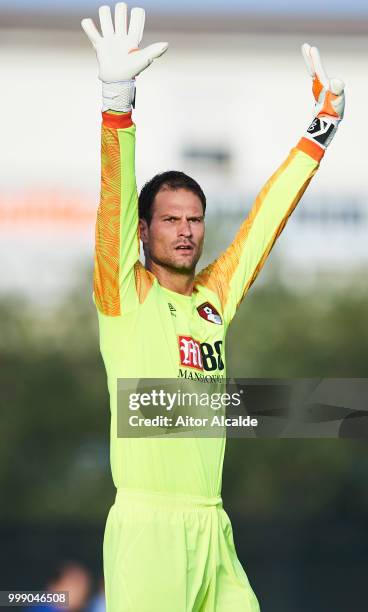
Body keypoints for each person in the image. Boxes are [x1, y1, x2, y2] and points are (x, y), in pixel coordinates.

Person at [81, 4, 345, 611]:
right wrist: (116, 101)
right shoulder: (125, 296)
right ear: (144, 233)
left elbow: (265, 221)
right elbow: (112, 204)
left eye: (195, 219)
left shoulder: (212, 299)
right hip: (148, 532)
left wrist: (320, 130)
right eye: (169, 220)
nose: (185, 231)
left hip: (213, 528)